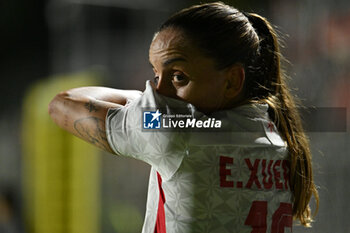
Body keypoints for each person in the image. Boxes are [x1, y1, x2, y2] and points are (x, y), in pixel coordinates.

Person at [48, 2, 319, 232]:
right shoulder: (279, 138)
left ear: (232, 81)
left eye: (179, 76)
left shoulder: (174, 130)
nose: (160, 92)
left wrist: (145, 103)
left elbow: (62, 104)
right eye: (156, 76)